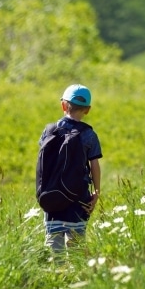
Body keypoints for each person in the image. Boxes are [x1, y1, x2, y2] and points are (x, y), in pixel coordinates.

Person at [39, 84, 102, 253]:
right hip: (79, 197)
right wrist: (96, 192)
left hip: (52, 196)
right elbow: (94, 165)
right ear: (87, 110)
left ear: (63, 105)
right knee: (76, 244)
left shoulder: (49, 132)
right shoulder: (89, 135)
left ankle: (57, 274)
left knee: (54, 245)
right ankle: (77, 275)